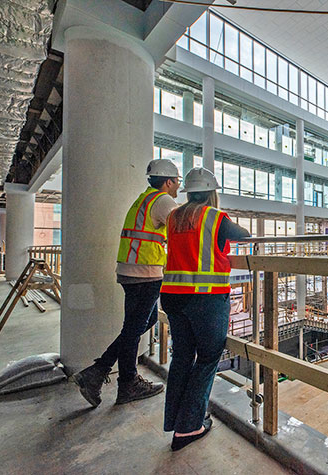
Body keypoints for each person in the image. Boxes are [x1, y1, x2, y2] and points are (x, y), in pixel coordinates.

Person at [71, 159, 181, 407]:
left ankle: (97, 372)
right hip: (144, 273)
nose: (178, 187)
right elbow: (182, 227)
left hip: (132, 270)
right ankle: (125, 382)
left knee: (144, 322)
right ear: (168, 181)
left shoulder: (144, 199)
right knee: (133, 329)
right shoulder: (163, 201)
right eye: (177, 182)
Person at [160, 167, 250, 451]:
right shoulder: (215, 217)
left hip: (172, 296)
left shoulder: (175, 216)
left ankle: (176, 421)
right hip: (205, 298)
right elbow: (243, 235)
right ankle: (189, 427)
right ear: (212, 192)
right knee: (209, 358)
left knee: (183, 357)